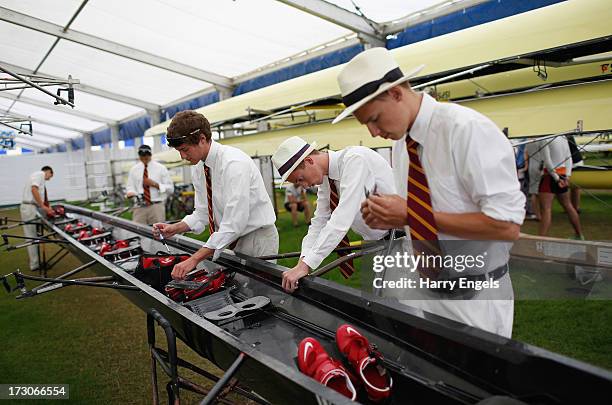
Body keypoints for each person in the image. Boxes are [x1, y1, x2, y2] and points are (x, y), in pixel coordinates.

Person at [333, 47, 525, 338]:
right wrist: (393, 217)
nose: (373, 132)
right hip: (424, 288)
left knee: (470, 382)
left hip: (476, 300)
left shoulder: (466, 130)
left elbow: (507, 226)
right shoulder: (401, 144)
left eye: (374, 118)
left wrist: (409, 214)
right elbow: (424, 214)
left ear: (396, 93)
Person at [153, 110, 279, 279]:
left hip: (256, 240)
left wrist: (194, 259)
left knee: (259, 296)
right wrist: (175, 228)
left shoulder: (234, 164)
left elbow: (234, 223)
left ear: (202, 139)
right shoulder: (199, 167)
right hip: (229, 240)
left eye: (184, 149)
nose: (183, 156)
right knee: (238, 291)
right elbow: (203, 212)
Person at [272, 136, 396, 292]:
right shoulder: (326, 178)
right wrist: (302, 261)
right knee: (388, 298)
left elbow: (342, 218)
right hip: (380, 243)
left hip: (405, 240)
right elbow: (319, 222)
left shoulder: (355, 160)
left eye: (300, 179)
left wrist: (307, 265)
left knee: (412, 303)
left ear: (309, 161)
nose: (303, 187)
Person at [538, 136, 584, 239]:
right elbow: (569, 158)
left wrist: (556, 178)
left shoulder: (545, 138)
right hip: (562, 174)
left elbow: (548, 161)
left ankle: (540, 239)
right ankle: (579, 234)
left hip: (549, 176)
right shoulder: (563, 137)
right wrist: (566, 176)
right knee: (568, 206)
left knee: (546, 209)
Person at [126, 144, 174, 225]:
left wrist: (155, 184)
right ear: (139, 156)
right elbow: (130, 186)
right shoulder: (134, 170)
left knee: (158, 232)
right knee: (138, 232)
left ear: (151, 154)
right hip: (139, 207)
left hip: (156, 206)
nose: (144, 157)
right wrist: (131, 192)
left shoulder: (161, 168)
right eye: (142, 155)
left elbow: (171, 189)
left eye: (147, 155)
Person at [20, 166, 55, 271]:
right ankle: (35, 264)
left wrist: (46, 207)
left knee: (34, 236)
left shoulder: (39, 177)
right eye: (51, 176)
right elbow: (34, 188)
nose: (49, 178)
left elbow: (39, 194)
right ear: (48, 172)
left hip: (32, 207)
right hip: (29, 208)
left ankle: (36, 262)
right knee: (31, 236)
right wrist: (43, 206)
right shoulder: (40, 174)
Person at [525, 139, 544, 221]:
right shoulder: (541, 140)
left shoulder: (528, 141)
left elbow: (526, 154)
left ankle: (537, 214)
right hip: (540, 166)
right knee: (539, 191)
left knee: (533, 191)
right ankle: (539, 214)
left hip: (531, 165)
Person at [566, 134, 584, 213]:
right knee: (572, 187)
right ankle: (573, 207)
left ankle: (575, 207)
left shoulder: (566, 136)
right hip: (573, 161)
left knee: (575, 187)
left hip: (575, 162)